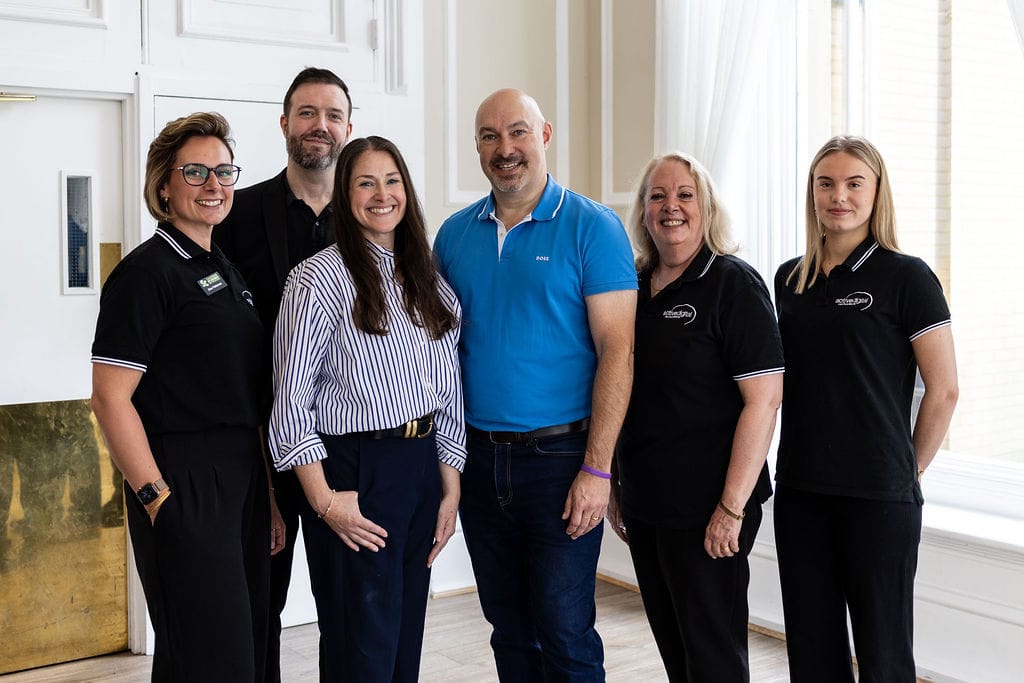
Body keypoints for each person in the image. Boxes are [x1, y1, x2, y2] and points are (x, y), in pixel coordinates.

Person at [433, 88, 637, 682]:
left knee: (565, 632)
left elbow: (618, 352)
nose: (505, 148)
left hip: (561, 460)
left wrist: (598, 469)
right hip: (477, 459)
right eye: (490, 136)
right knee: (508, 628)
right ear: (477, 147)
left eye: (518, 132)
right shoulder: (453, 236)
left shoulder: (592, 227)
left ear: (544, 135)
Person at [91, 112, 281, 681]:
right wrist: (157, 500)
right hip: (185, 479)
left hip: (243, 478)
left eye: (224, 171)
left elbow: (246, 396)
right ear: (164, 187)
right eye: (195, 172)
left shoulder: (224, 269)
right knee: (211, 656)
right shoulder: (146, 274)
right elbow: (109, 398)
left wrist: (269, 499)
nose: (213, 184)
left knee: (243, 649)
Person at [268, 136, 465, 682]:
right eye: (365, 183)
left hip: (421, 468)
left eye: (392, 181)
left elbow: (448, 392)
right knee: (361, 648)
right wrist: (324, 501)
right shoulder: (318, 279)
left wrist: (449, 489)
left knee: (403, 641)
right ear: (343, 194)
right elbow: (290, 402)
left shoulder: (428, 281)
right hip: (354, 469)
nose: (382, 195)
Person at [773, 135, 959, 682]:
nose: (839, 196)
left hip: (879, 496)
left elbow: (944, 389)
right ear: (812, 192)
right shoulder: (789, 279)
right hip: (801, 490)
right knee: (812, 651)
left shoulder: (908, 277)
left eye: (855, 184)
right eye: (826, 183)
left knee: (883, 655)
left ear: (877, 193)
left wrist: (907, 469)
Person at [610, 152, 784, 682]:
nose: (672, 206)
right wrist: (614, 482)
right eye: (658, 196)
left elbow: (764, 401)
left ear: (707, 207)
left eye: (685, 195)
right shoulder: (630, 285)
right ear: (643, 211)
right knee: (674, 649)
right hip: (647, 504)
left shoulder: (733, 284)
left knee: (713, 657)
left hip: (710, 508)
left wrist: (731, 508)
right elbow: (618, 390)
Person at [213, 66, 353, 682]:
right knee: (257, 603)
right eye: (307, 113)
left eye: (332, 115)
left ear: (349, 128)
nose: (320, 126)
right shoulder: (236, 214)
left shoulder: (374, 216)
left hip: (345, 444)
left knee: (346, 607)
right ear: (285, 123)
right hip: (260, 446)